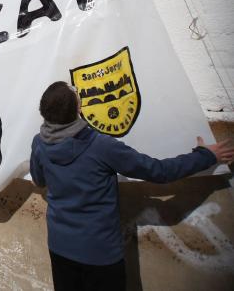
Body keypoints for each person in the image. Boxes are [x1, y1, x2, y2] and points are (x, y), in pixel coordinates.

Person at [30, 81, 234, 291]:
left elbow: (39, 180)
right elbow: (159, 171)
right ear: (78, 109)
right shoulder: (102, 146)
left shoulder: (39, 143)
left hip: (60, 247)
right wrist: (205, 156)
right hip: (100, 255)